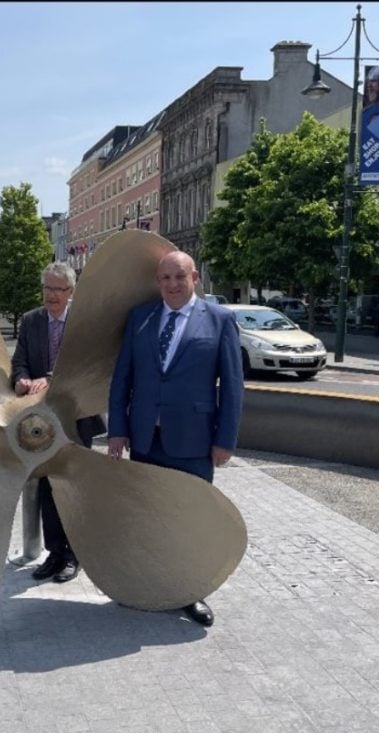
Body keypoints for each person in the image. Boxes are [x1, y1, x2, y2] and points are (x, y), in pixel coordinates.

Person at [107, 250, 244, 627]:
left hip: (194, 442)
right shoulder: (141, 318)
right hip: (145, 440)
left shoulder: (219, 321)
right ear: (157, 281)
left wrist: (225, 440)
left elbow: (232, 387)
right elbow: (123, 379)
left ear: (195, 277)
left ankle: (189, 592)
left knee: (190, 520)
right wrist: (117, 429)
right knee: (149, 518)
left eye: (179, 277)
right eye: (165, 278)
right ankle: (150, 585)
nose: (171, 285)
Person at [11, 262, 105, 584]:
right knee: (50, 487)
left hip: (78, 419)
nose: (52, 295)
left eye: (58, 289)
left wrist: (47, 379)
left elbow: (85, 367)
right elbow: (19, 360)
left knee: (73, 489)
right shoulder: (31, 321)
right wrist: (22, 380)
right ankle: (55, 552)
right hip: (43, 422)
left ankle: (74, 555)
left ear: (71, 292)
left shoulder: (83, 323)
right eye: (47, 289)